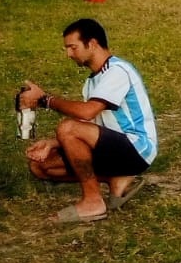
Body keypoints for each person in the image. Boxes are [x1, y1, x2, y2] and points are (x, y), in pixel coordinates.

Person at [17, 18, 158, 223]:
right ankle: (115, 179)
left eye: (72, 47)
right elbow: (91, 126)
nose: (68, 54)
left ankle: (93, 201)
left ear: (91, 44)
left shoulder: (117, 71)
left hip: (136, 148)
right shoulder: (93, 81)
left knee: (68, 127)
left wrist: (45, 100)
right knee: (40, 166)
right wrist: (53, 143)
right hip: (111, 147)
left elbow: (86, 113)